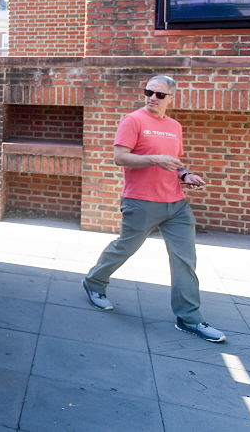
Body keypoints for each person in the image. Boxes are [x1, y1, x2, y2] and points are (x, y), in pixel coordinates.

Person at [82, 75, 225, 343]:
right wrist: (154, 159)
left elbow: (174, 163)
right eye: (148, 92)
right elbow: (120, 157)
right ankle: (94, 282)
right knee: (125, 247)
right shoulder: (133, 120)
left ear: (171, 98)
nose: (152, 98)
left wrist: (185, 175)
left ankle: (189, 318)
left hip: (176, 203)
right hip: (141, 201)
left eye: (159, 94)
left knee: (185, 260)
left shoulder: (174, 126)